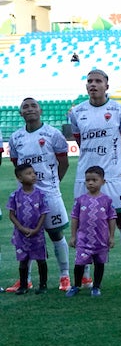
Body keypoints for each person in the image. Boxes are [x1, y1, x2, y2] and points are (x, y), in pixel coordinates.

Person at [68, 70, 121, 289]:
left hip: (113, 177)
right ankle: (85, 275)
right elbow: (81, 141)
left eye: (98, 81)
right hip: (84, 177)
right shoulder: (77, 112)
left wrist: (118, 168)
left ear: (107, 86)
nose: (93, 85)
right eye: (89, 81)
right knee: (83, 223)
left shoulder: (120, 110)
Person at [7, 98, 71, 291]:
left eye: (33, 105)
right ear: (20, 113)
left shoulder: (53, 134)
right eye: (25, 106)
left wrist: (53, 183)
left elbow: (64, 162)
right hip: (26, 196)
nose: (30, 109)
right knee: (25, 237)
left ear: (40, 110)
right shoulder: (16, 138)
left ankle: (64, 276)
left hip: (49, 194)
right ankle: (25, 280)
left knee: (56, 234)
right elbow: (17, 165)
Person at [67, 166, 116, 297]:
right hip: (84, 239)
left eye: (94, 180)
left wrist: (111, 236)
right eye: (88, 180)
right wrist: (73, 236)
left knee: (99, 263)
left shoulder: (107, 200)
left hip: (101, 239)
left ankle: (96, 286)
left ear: (102, 182)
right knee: (79, 263)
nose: (90, 183)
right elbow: (75, 218)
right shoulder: (80, 200)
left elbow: (111, 219)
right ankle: (76, 285)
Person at [8, 162, 48, 294]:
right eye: (29, 174)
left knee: (41, 260)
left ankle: (43, 285)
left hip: (37, 234)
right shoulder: (15, 195)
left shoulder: (41, 194)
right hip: (21, 235)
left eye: (33, 173)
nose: (33, 176)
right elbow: (12, 214)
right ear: (20, 178)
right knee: (23, 261)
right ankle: (23, 285)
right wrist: (20, 228)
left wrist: (36, 229)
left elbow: (43, 213)